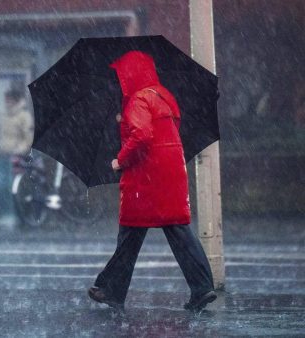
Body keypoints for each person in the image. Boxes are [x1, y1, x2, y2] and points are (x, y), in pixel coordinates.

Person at [88, 51, 216, 312]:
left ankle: (112, 289)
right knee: (178, 229)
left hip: (145, 176)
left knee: (130, 230)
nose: (120, 82)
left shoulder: (137, 100)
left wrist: (119, 160)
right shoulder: (163, 95)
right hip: (171, 171)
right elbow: (167, 130)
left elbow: (142, 136)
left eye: (122, 76)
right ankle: (202, 288)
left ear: (130, 76)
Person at [0, 88, 34, 226]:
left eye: (9, 100)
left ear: (16, 100)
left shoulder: (24, 116)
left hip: (15, 156)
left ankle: (12, 214)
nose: (7, 103)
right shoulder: (3, 115)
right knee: (0, 186)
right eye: (6, 100)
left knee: (11, 186)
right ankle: (2, 213)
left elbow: (28, 138)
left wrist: (19, 150)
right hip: (2, 155)